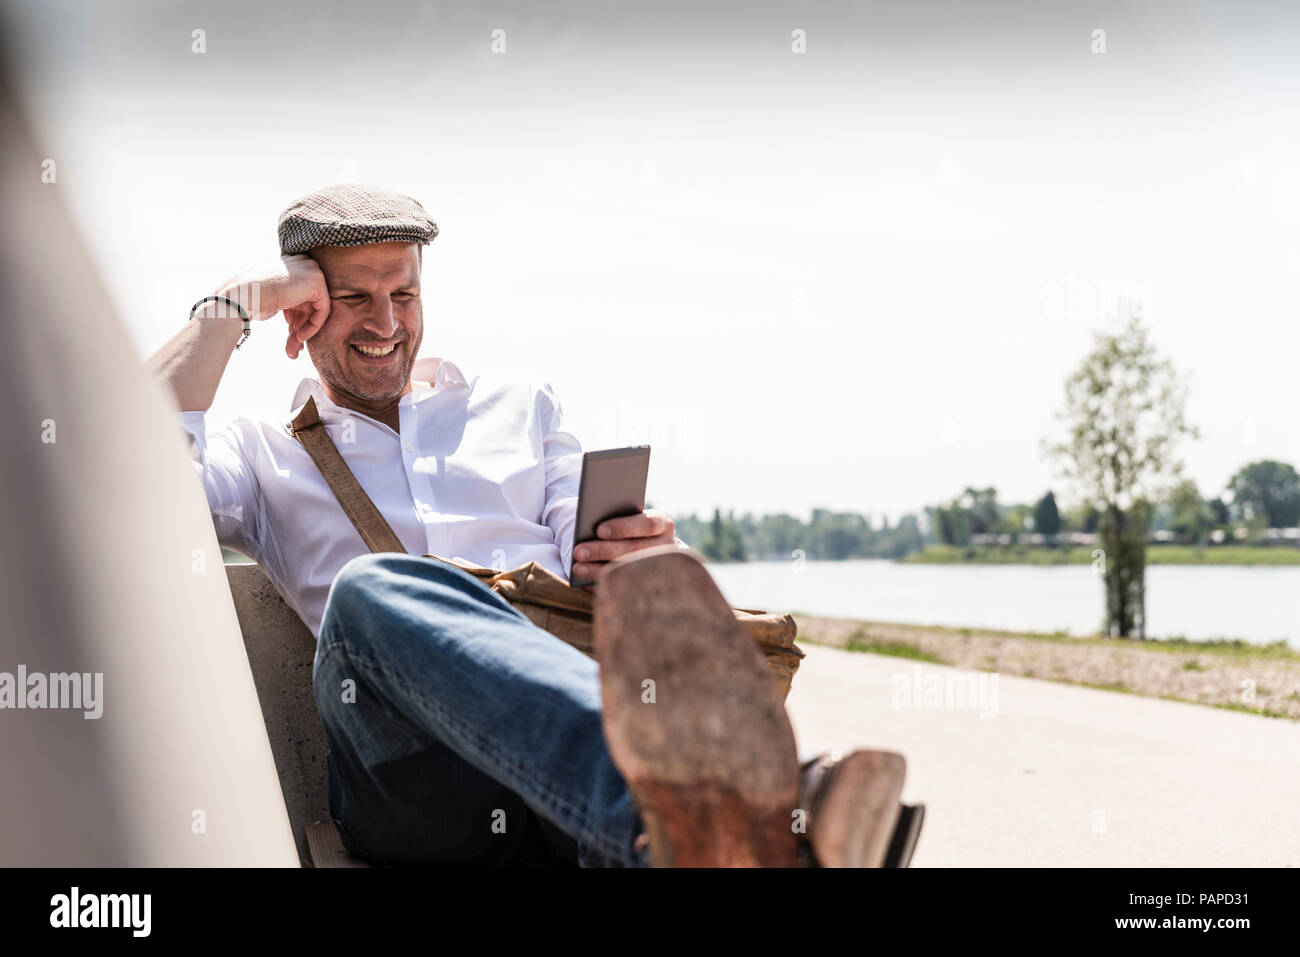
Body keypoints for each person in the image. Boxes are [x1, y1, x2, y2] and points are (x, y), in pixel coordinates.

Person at [146, 183, 916, 867]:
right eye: (356, 299)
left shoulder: (520, 405)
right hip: (416, 784)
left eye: (404, 295)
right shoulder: (260, 453)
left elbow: (591, 554)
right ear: (304, 308)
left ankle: (695, 835)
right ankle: (712, 801)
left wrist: (637, 549)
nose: (386, 321)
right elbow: (132, 481)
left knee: (657, 590)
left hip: (558, 760)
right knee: (368, 593)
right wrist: (232, 305)